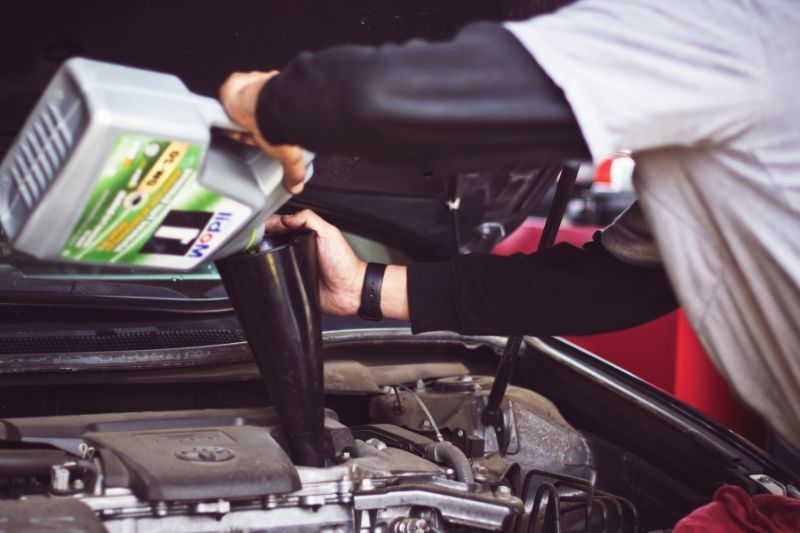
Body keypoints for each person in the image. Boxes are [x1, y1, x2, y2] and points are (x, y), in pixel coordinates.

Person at [219, 0, 800, 455]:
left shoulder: (741, 29)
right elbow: (623, 282)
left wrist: (260, 100)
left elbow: (406, 95)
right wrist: (365, 288)